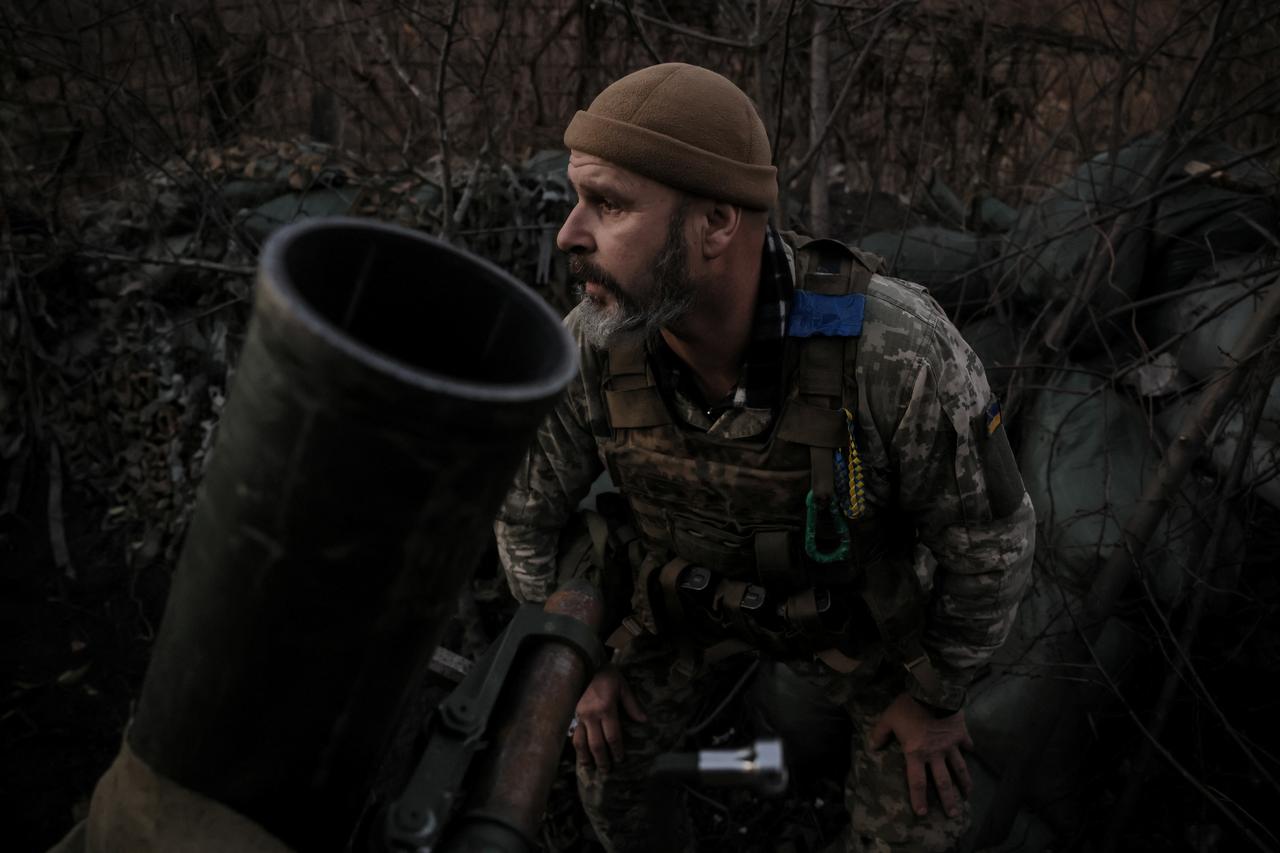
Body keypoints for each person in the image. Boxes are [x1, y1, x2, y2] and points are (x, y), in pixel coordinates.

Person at [494, 62, 1035, 853]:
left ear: (716, 225)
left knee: (923, 823)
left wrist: (939, 695)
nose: (569, 234)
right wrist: (583, 661)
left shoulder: (893, 353)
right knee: (609, 790)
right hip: (670, 606)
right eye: (579, 199)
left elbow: (992, 541)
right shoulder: (594, 343)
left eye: (607, 204)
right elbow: (523, 511)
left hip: (856, 620)